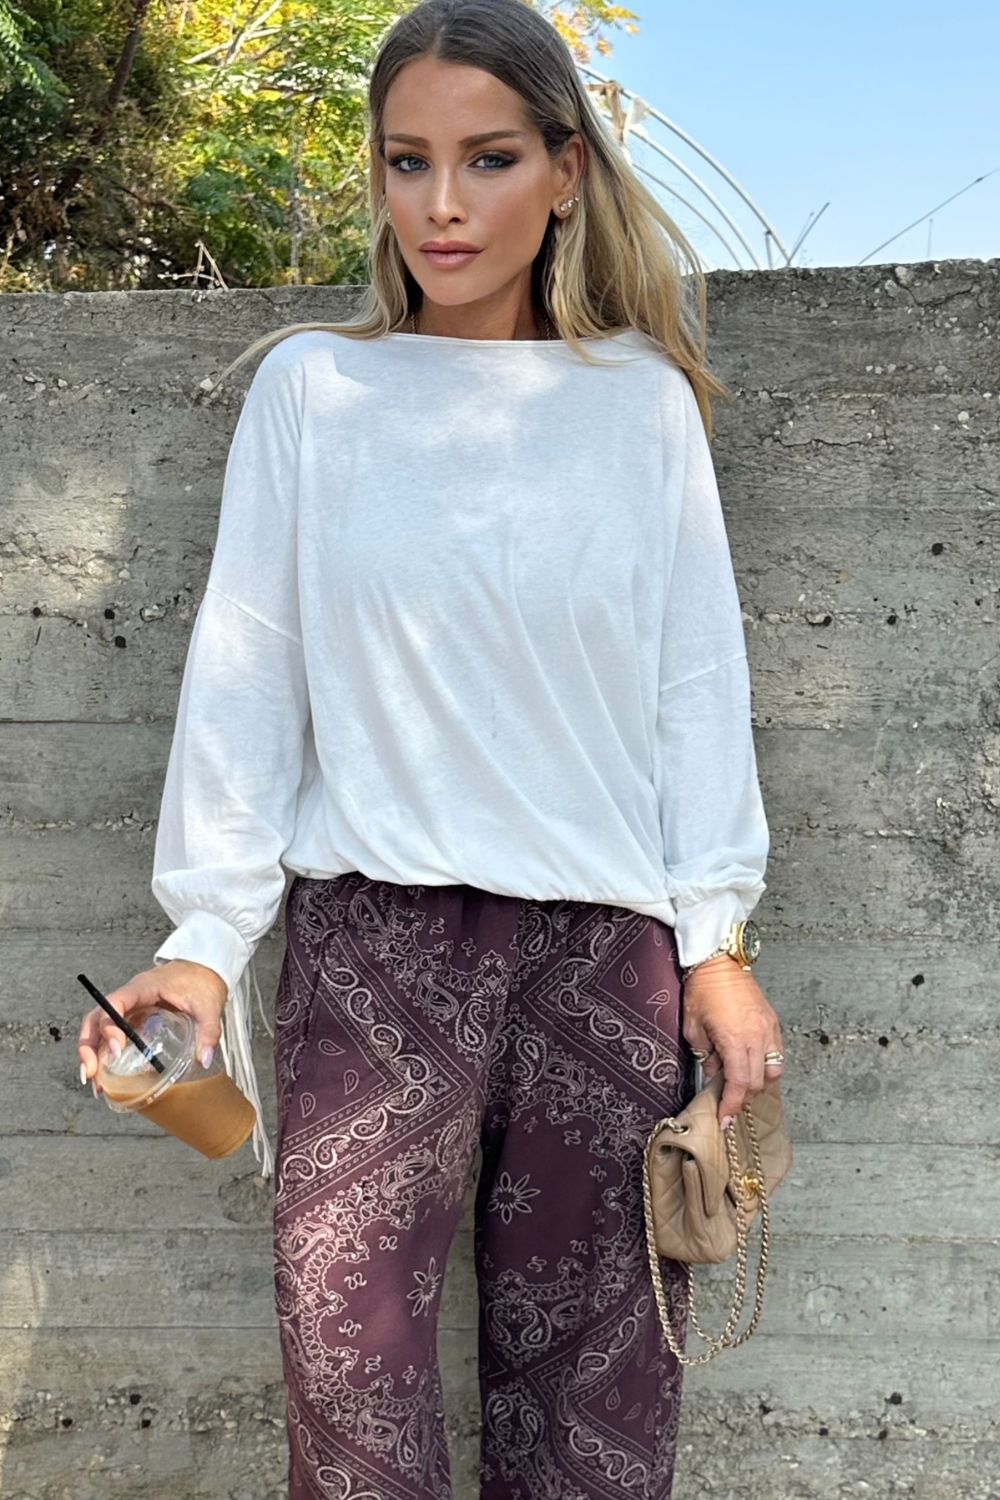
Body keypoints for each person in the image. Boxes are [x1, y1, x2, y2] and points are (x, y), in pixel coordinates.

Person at [78, 2, 785, 1495]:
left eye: (489, 158)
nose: (443, 205)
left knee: (595, 1423)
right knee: (351, 1405)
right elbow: (249, 670)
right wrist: (205, 941)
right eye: (409, 161)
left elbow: (694, 687)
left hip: (604, 958)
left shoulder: (643, 409)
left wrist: (716, 942)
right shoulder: (314, 394)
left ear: (567, 171)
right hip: (376, 953)